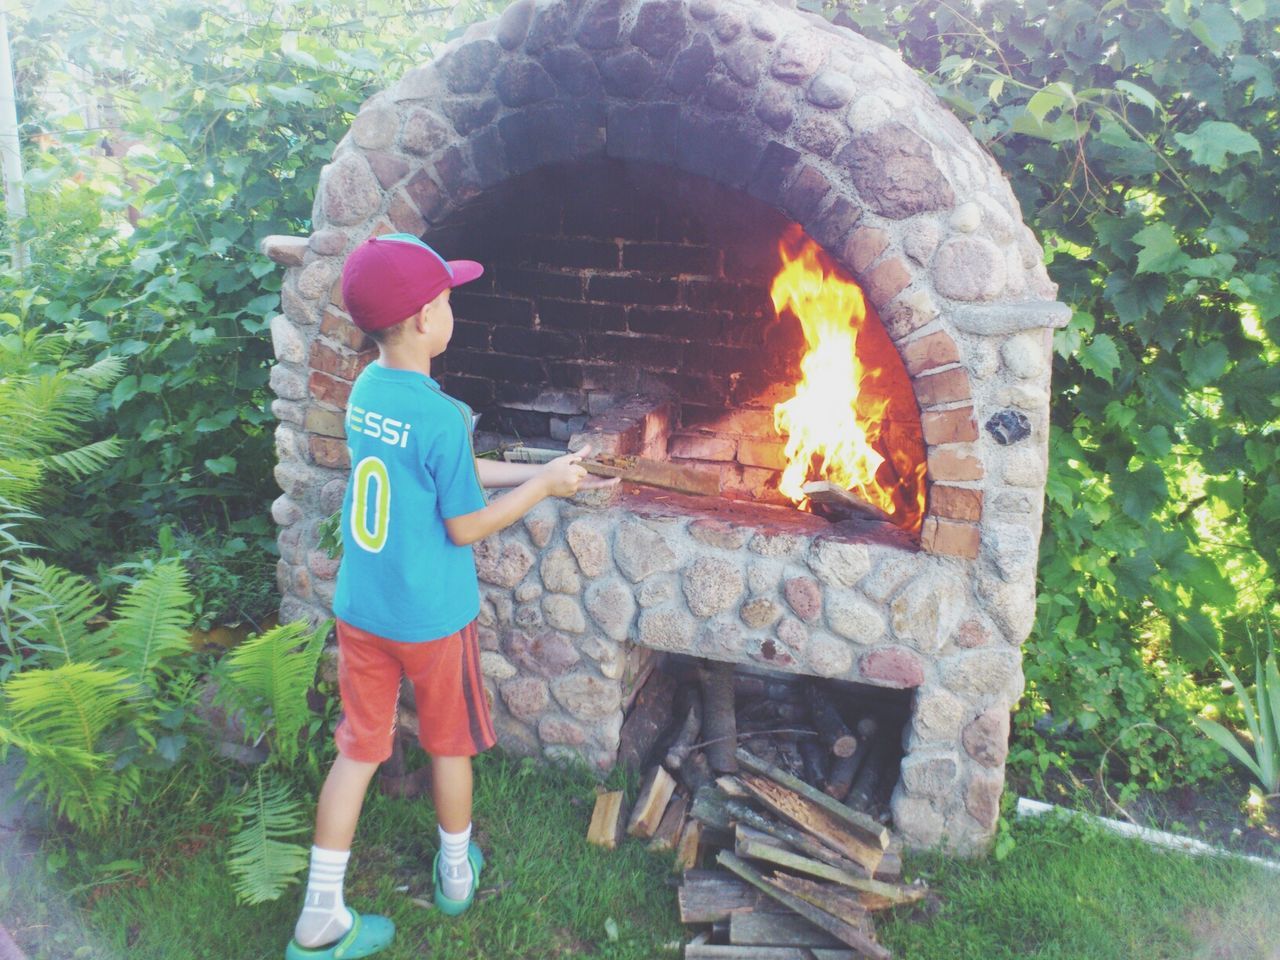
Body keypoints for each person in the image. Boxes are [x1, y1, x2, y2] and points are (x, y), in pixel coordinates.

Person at [285, 233, 616, 960]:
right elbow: (462, 523)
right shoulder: (438, 413)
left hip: (363, 610)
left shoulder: (368, 392)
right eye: (446, 300)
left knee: (358, 750)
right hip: (431, 618)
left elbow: (446, 470)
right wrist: (542, 487)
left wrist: (538, 467)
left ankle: (319, 916)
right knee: (449, 744)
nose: (451, 309)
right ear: (420, 321)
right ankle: (457, 874)